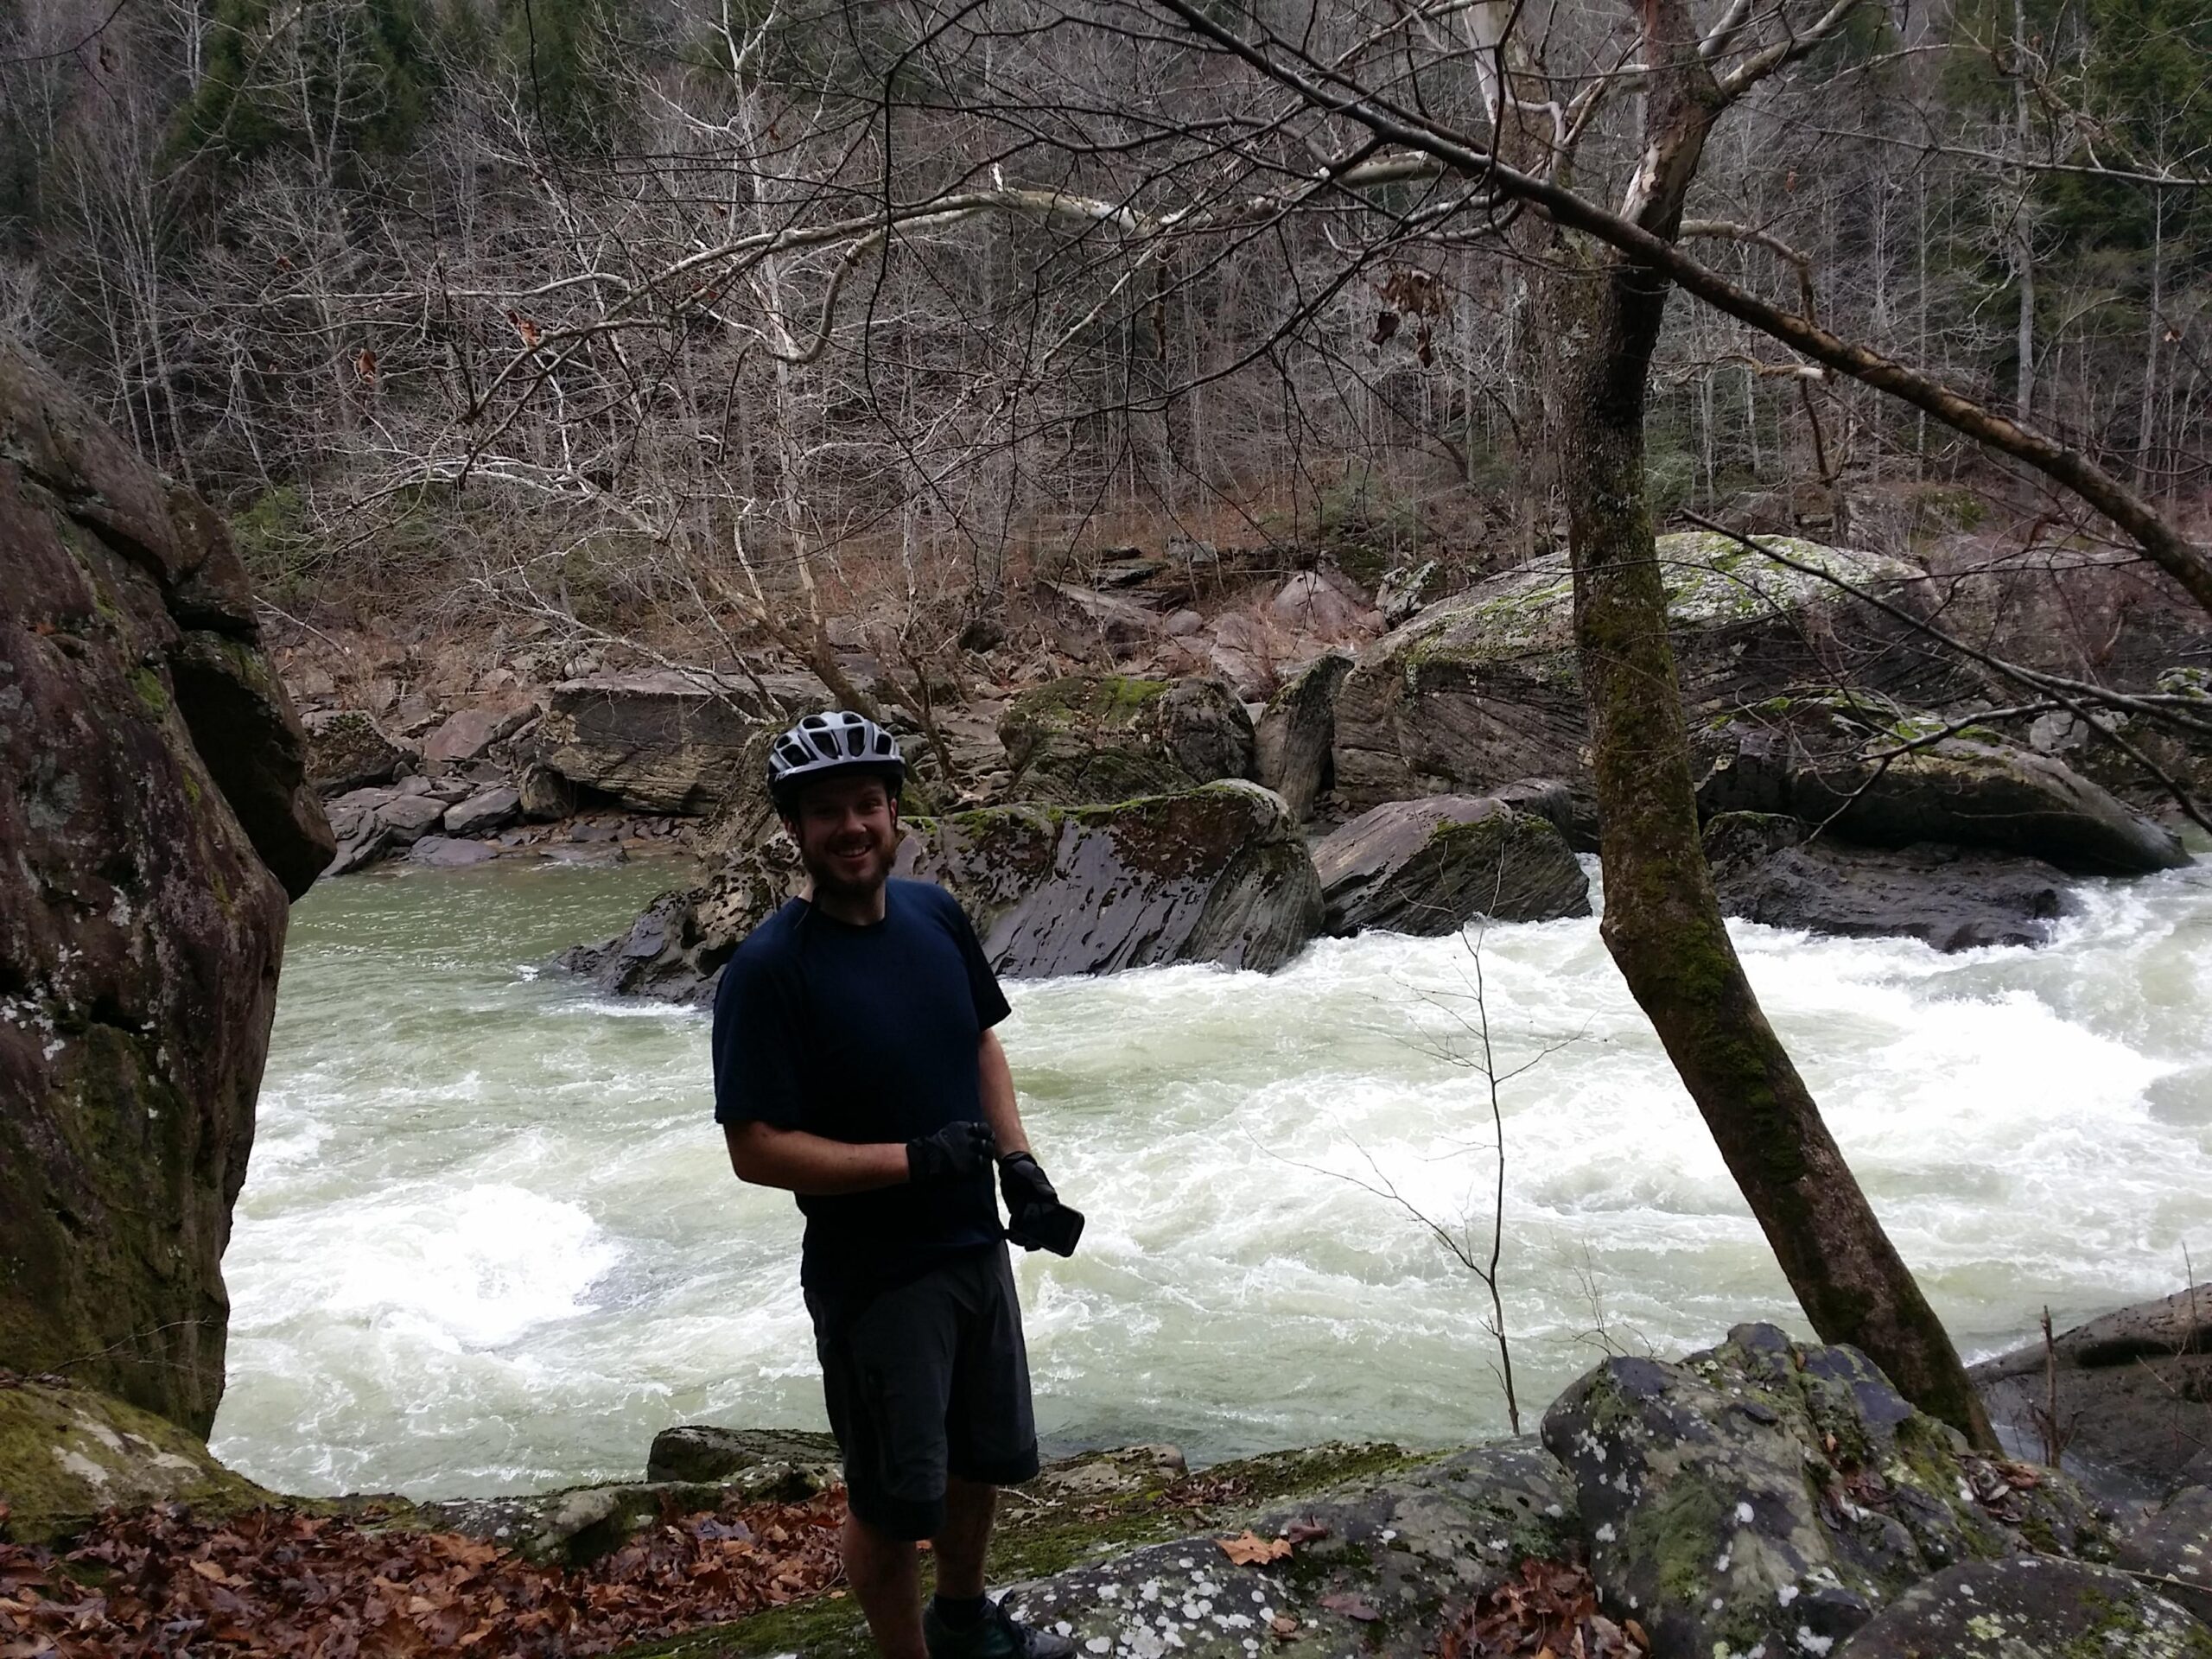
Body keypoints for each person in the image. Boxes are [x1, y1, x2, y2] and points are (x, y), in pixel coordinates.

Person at [712, 709, 1079, 1659]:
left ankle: (962, 1622)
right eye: (825, 811)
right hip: (876, 1278)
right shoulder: (768, 972)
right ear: (794, 830)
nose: (851, 828)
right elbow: (754, 1148)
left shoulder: (934, 914)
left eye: (866, 805)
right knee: (890, 1500)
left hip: (972, 1248)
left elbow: (978, 1041)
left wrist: (1020, 1167)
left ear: (894, 813)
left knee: (980, 1460)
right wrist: (909, 1162)